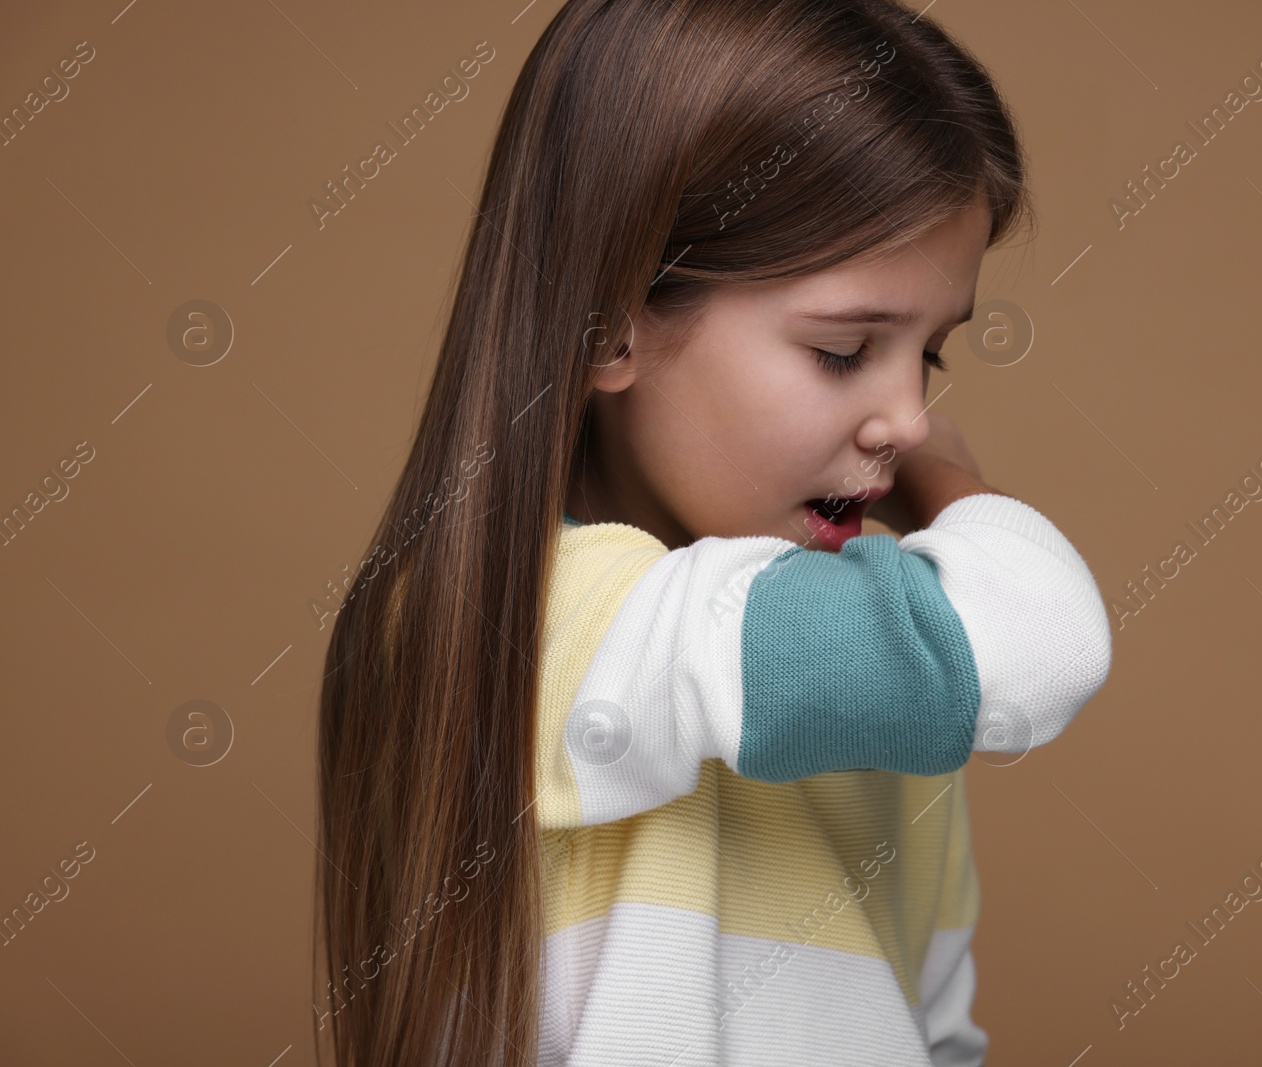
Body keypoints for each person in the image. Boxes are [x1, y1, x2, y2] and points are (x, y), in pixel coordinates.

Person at [314, 1, 1113, 1064]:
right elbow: (1038, 638)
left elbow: (935, 1024)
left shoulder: (875, 680)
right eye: (842, 350)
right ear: (609, 319)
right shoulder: (528, 621)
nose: (907, 419)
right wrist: (948, 478)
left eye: (927, 355)